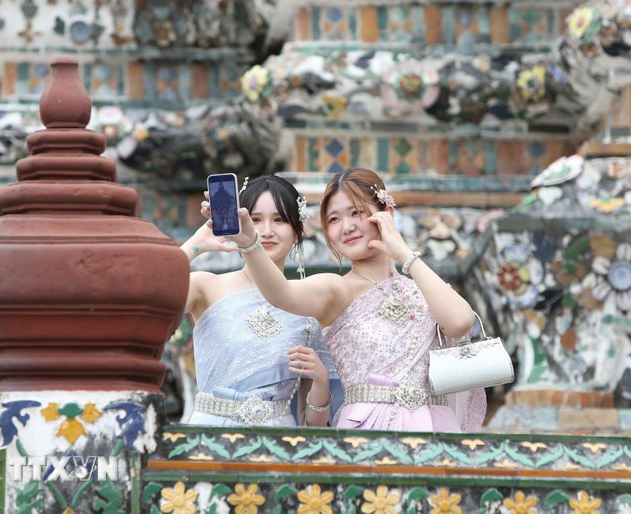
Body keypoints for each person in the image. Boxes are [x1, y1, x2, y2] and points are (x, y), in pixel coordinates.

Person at [225, 168, 485, 432]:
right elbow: (281, 294)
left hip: (434, 430)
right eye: (334, 219)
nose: (347, 227)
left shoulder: (425, 289)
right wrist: (250, 243)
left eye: (356, 213)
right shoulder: (336, 290)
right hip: (368, 431)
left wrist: (405, 254)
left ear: (386, 214)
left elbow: (460, 322)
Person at [181, 175, 341, 427]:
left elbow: (313, 425)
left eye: (279, 220)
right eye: (254, 220)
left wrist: (321, 380)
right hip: (210, 433)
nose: (266, 232)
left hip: (277, 438)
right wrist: (196, 244)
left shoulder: (308, 306)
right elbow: (145, 297)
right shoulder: (206, 286)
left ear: (298, 230)